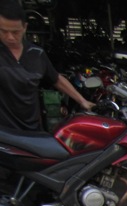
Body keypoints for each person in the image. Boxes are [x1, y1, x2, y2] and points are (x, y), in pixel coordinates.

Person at [0, 1, 94, 131]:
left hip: (32, 130)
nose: (10, 37)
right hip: (4, 133)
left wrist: (82, 100)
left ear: (25, 27)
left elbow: (56, 79)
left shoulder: (36, 54)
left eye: (15, 32)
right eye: (4, 31)